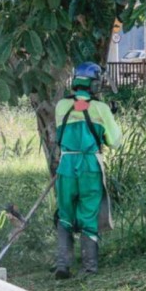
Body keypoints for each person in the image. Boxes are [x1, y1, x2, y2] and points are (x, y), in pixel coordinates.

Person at [54, 62, 122, 279]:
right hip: (90, 167)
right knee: (88, 214)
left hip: (66, 166)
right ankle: (89, 267)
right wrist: (109, 116)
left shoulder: (61, 106)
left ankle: (63, 264)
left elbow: (78, 110)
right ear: (94, 83)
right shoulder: (101, 109)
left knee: (65, 214)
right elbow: (115, 141)